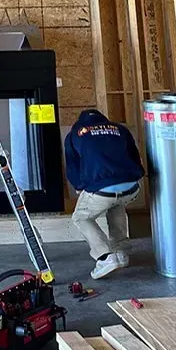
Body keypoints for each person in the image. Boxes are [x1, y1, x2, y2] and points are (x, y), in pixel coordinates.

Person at [63, 108, 146, 279]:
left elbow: (73, 166)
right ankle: (121, 252)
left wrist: (80, 185)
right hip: (131, 187)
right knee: (116, 205)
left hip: (102, 190)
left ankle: (105, 257)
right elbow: (134, 156)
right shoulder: (120, 129)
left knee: (81, 217)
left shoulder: (75, 134)